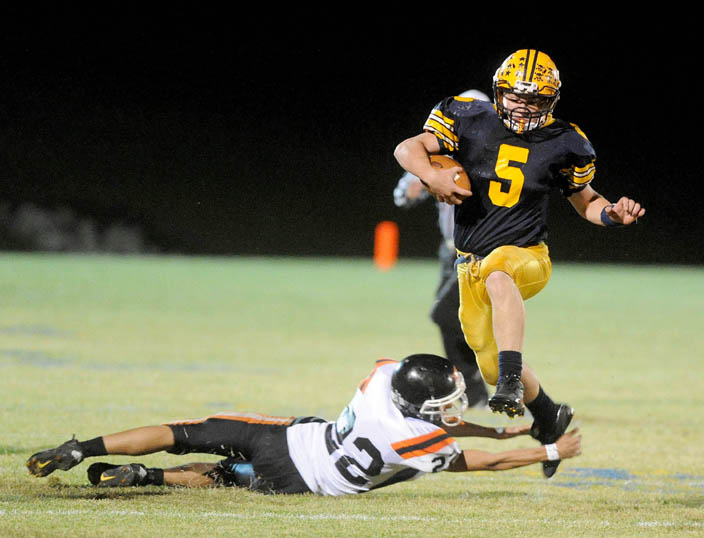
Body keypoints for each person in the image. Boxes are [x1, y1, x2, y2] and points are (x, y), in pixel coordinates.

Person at [393, 49, 644, 477]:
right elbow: (408, 148)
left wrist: (611, 214)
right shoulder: (468, 117)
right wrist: (431, 175)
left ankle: (511, 379)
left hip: (526, 256)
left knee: (499, 269)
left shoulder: (568, 142)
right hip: (469, 263)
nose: (523, 106)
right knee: (487, 361)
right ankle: (547, 415)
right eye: (516, 96)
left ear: (551, 101)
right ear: (499, 91)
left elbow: (586, 201)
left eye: (535, 99)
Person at [26, 354, 582, 494]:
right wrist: (548, 452)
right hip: (303, 480)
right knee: (223, 477)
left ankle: (81, 448)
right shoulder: (418, 439)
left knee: (183, 430)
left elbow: (438, 421)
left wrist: (494, 432)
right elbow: (478, 462)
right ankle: (146, 481)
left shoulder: (384, 377)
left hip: (288, 436)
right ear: (423, 409)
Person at [393, 90, 491, 409]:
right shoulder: (440, 152)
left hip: (480, 249)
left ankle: (477, 386)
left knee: (448, 315)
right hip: (450, 251)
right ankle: (470, 387)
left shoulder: (491, 154)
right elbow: (402, 196)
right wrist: (427, 177)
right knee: (453, 319)